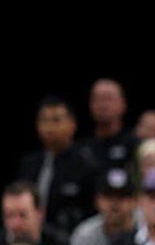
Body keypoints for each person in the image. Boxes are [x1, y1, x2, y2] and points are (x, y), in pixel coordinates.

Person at [16, 97, 99, 234]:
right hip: (30, 236)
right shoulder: (28, 164)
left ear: (73, 124)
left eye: (56, 120)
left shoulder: (86, 165)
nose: (49, 127)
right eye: (44, 120)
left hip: (72, 237)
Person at [78, 78, 137, 171]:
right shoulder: (80, 147)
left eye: (108, 99)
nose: (102, 105)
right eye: (97, 99)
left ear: (123, 104)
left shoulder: (135, 146)